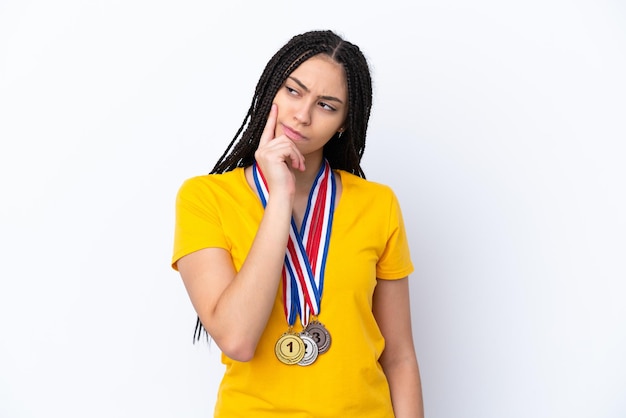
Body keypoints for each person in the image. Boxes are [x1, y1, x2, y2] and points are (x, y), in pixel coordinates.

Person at [171, 29, 424, 417]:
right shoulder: (206, 199)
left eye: (326, 105)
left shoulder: (378, 204)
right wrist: (280, 197)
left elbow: (399, 357)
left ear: (343, 122)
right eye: (293, 91)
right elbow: (236, 339)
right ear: (271, 89)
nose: (302, 115)